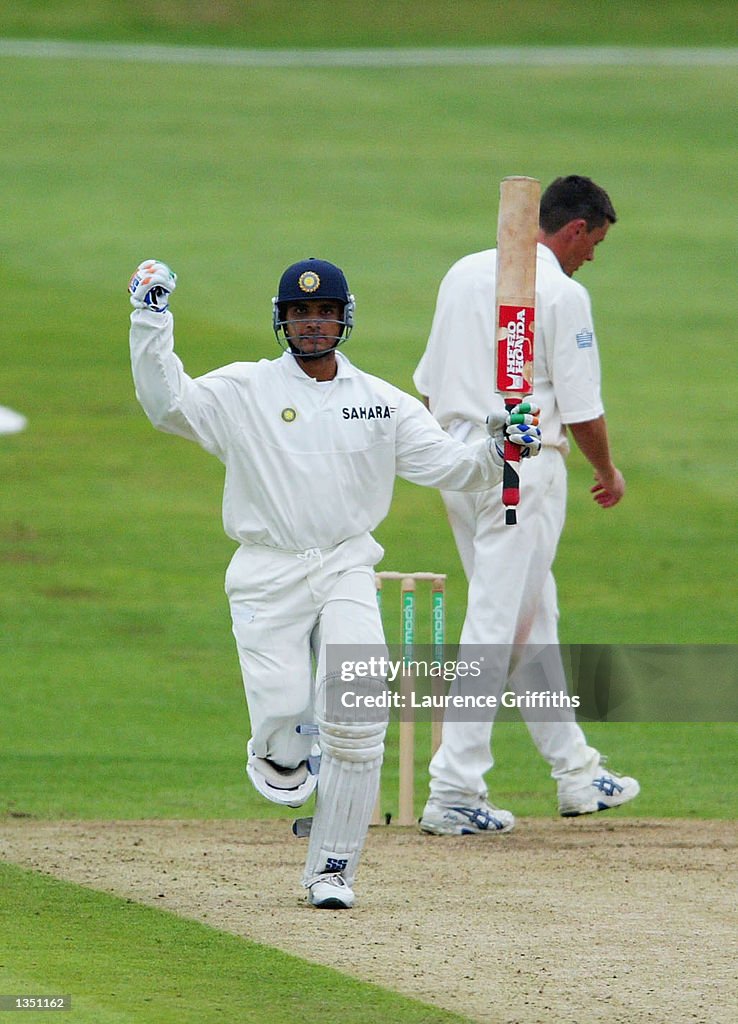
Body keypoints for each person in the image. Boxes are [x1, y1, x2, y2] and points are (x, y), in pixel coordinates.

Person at [127, 256, 542, 906]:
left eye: (323, 313)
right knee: (283, 737)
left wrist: (501, 452)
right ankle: (290, 754)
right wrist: (150, 318)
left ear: (344, 319)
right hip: (267, 573)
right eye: (300, 313)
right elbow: (166, 404)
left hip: (346, 565)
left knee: (358, 714)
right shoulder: (245, 390)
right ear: (282, 320)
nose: (312, 325)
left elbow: (455, 468)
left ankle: (332, 870)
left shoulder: (379, 401)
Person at [413, 175, 640, 836]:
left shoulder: (460, 274)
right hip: (521, 465)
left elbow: (428, 385)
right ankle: (454, 788)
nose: (590, 256)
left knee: (531, 612)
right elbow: (583, 406)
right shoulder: (564, 293)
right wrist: (608, 470)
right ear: (574, 229)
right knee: (500, 619)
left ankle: (575, 771)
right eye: (592, 243)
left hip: (459, 461)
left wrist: (456, 459)